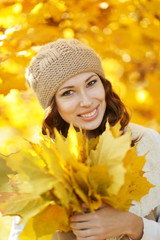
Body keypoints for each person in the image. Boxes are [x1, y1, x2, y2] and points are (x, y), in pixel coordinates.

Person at [8, 38, 160, 240]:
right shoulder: (42, 168)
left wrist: (134, 226)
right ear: (54, 107)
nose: (87, 101)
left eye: (91, 83)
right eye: (68, 92)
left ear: (103, 84)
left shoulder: (146, 142)